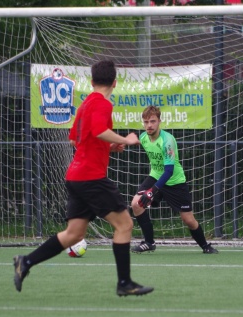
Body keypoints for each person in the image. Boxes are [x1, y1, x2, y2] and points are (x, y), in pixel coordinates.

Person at [13, 60, 154, 297]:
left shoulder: (85, 103)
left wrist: (109, 147)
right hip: (91, 177)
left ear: (91, 82)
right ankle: (124, 283)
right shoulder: (102, 103)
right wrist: (124, 139)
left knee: (74, 234)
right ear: (115, 83)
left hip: (76, 176)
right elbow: (98, 131)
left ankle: (25, 262)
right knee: (125, 225)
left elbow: (75, 140)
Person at [130, 106, 218, 254]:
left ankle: (205, 246)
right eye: (146, 122)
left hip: (174, 181)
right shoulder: (144, 138)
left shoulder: (168, 141)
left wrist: (152, 191)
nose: (149, 125)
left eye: (152, 121)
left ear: (159, 121)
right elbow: (143, 145)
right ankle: (149, 242)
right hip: (156, 176)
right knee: (136, 204)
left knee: (188, 220)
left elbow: (169, 171)